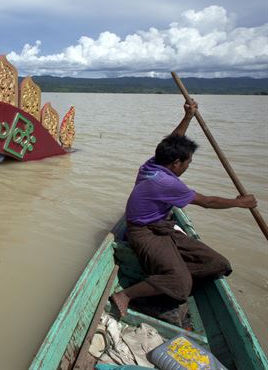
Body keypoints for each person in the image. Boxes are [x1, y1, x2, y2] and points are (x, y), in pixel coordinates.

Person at [110, 99, 257, 320]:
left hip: (163, 226)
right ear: (176, 163)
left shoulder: (153, 164)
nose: (188, 166)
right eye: (188, 162)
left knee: (219, 264)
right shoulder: (167, 183)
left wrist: (187, 117)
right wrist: (240, 203)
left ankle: (169, 277)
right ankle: (125, 295)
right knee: (181, 285)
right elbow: (208, 202)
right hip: (143, 232)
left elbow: (172, 142)